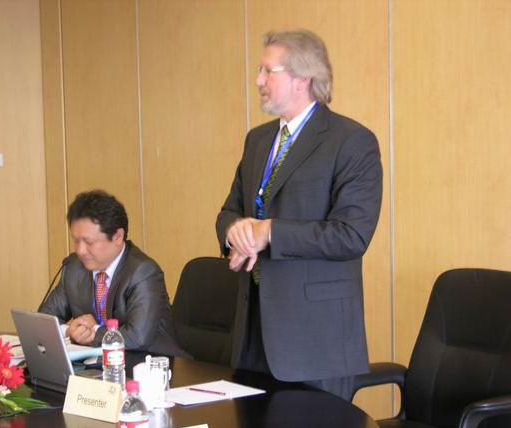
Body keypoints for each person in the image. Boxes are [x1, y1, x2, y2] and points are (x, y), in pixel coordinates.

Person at [216, 29, 382, 400]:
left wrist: (269, 232)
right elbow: (230, 211)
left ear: (302, 78)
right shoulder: (257, 140)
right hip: (252, 335)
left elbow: (351, 235)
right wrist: (235, 231)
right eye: (259, 71)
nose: (258, 81)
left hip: (315, 342)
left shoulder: (351, 141)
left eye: (268, 71)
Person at [39, 190, 186, 357]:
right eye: (76, 240)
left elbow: (137, 337)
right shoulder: (74, 267)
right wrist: (68, 331)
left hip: (151, 364)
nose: (80, 250)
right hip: (99, 364)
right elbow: (44, 320)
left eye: (89, 242)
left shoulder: (143, 272)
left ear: (117, 236)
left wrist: (94, 332)